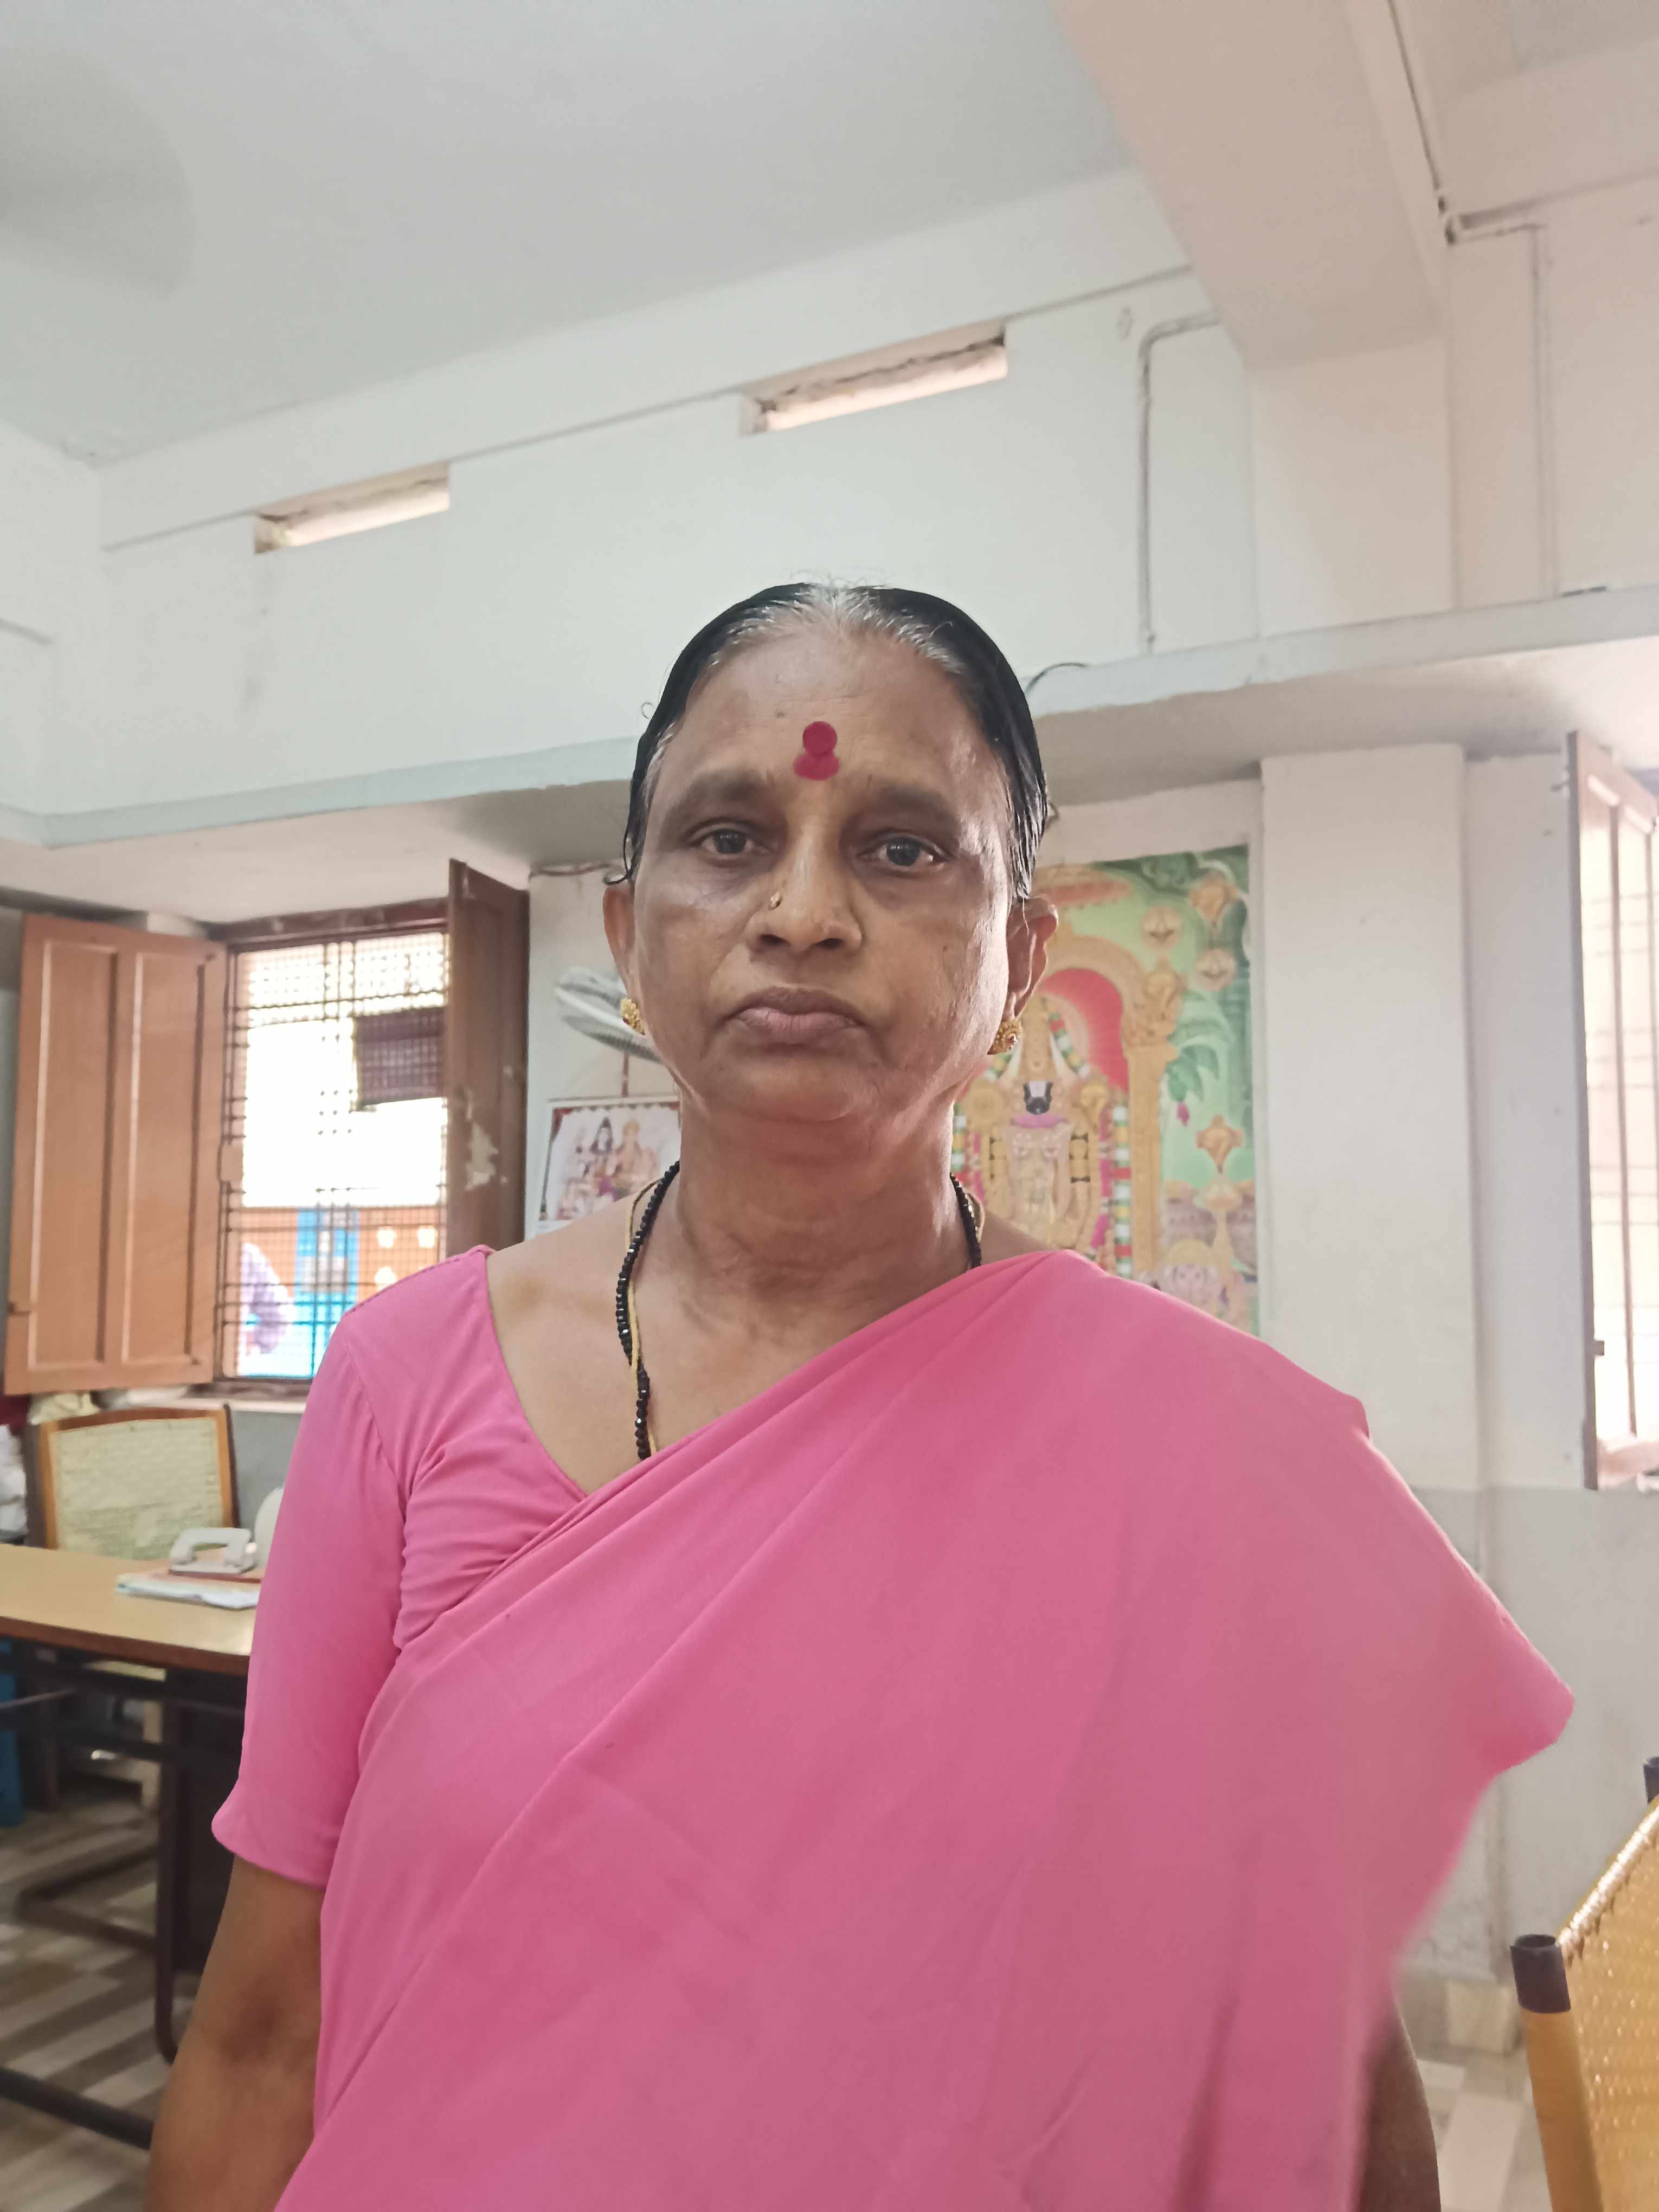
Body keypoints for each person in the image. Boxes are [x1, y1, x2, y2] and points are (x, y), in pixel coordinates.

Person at [146, 583, 1568, 2211]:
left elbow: (1323, 2107)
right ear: (626, 928)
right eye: (728, 838)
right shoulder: (407, 1381)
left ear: (1018, 956)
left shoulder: (1210, 1463)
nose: (804, 913)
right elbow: (261, 2040)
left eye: (902, 849)